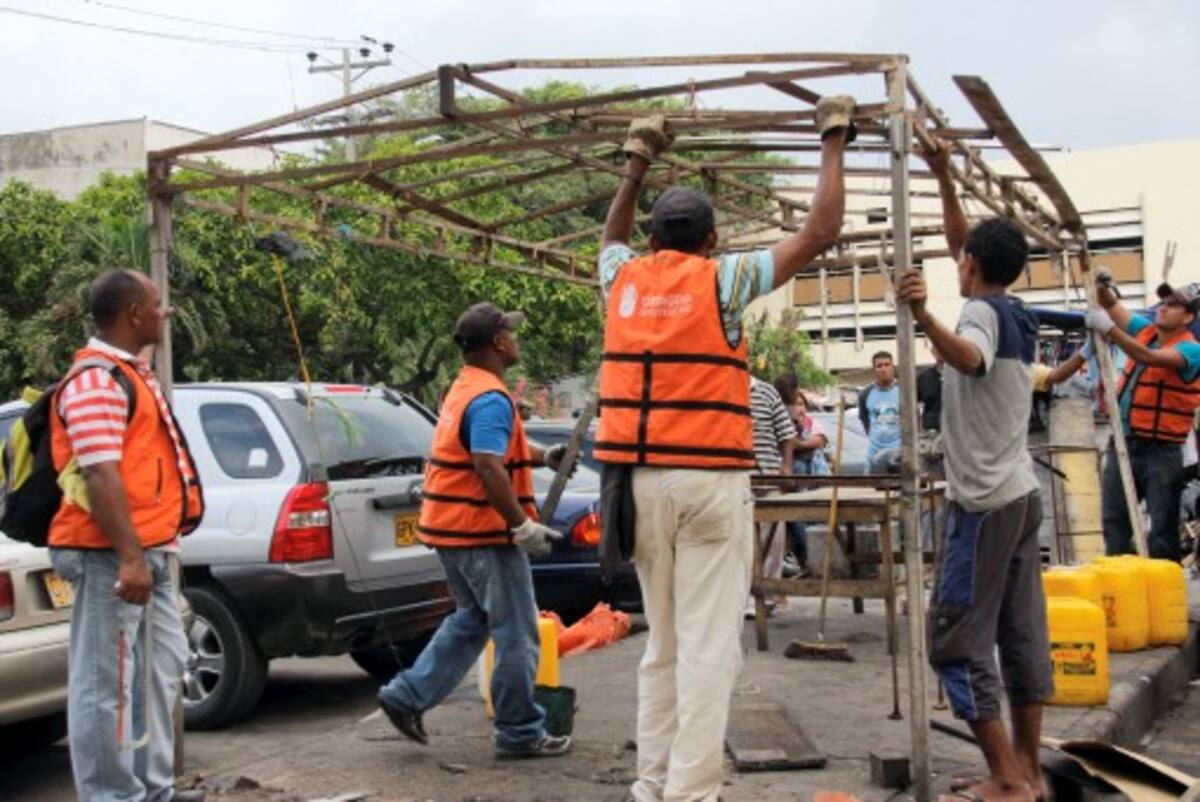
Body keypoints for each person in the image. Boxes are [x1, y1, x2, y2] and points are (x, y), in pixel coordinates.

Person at [594, 97, 853, 801]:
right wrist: (833, 136)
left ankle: (652, 787)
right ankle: (693, 793)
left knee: (663, 648)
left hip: (640, 487)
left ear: (652, 243)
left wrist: (636, 159)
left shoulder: (621, 281)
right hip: (708, 484)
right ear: (711, 241)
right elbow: (822, 229)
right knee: (709, 652)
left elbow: (611, 235)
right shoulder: (724, 280)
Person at [897, 139, 1053, 802]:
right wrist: (941, 175)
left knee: (956, 637)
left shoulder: (980, 313)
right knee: (1019, 635)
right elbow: (972, 245)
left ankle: (1007, 781)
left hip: (984, 503)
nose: (956, 258)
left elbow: (969, 359)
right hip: (1020, 494)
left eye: (961, 256)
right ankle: (1030, 770)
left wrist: (923, 314)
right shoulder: (1017, 307)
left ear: (971, 267)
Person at [377, 302, 573, 759]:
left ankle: (405, 696)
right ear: (499, 343)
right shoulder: (488, 399)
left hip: (451, 531)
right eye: (511, 333)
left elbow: (487, 450)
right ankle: (519, 732)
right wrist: (522, 527)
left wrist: (545, 457)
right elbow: (486, 466)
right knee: (517, 634)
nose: (516, 340)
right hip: (481, 535)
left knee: (473, 621)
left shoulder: (466, 388)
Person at [47, 269, 206, 802]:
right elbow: (100, 472)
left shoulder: (131, 374)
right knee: (104, 689)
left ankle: (152, 788)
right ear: (135, 312)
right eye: (157, 304)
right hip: (111, 558)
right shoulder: (96, 380)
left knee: (158, 675)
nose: (164, 313)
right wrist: (130, 559)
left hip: (151, 552)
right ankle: (112, 796)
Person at [1084, 274, 1200, 560]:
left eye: (1173, 305)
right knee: (1114, 522)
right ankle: (1123, 590)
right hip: (1123, 443)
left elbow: (1150, 358)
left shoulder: (1192, 349)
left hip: (1160, 452)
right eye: (1163, 302)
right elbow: (1111, 304)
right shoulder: (1146, 332)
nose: (1163, 307)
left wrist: (1109, 330)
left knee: (1161, 530)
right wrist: (1102, 285)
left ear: (1187, 317)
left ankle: (1163, 596)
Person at [748, 375, 798, 611]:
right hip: (736, 481)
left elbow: (787, 435)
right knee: (743, 543)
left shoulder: (766, 392)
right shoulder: (721, 388)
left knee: (772, 543)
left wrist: (786, 468)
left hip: (768, 479)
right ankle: (746, 596)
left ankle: (768, 595)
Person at [858, 351, 902, 473]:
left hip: (899, 451)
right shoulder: (865, 394)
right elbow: (864, 420)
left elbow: (914, 420)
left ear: (893, 367)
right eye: (879, 366)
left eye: (887, 364)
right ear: (874, 370)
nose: (883, 369)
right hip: (874, 451)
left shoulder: (905, 390)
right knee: (871, 488)